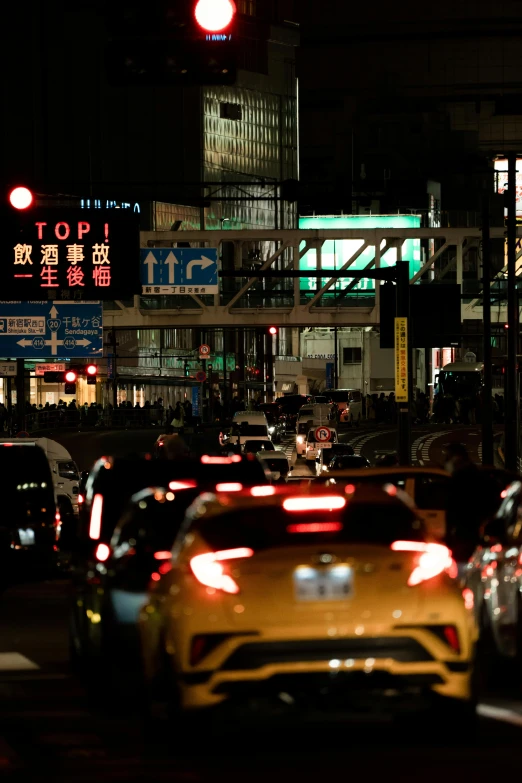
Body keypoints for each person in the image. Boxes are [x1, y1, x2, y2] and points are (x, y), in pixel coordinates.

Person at [444, 442, 499, 574]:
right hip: (478, 534)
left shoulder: (458, 479)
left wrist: (449, 534)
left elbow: (452, 510)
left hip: (464, 535)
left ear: (455, 458)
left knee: (462, 571)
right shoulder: (482, 477)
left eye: (447, 458)